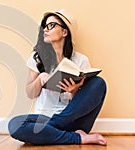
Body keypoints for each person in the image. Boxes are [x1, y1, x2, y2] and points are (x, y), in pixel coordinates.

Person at [8, 9, 107, 145]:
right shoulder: (37, 58)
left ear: (64, 32)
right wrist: (39, 79)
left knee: (99, 83)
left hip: (73, 119)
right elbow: (30, 93)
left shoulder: (81, 60)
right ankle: (77, 138)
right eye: (45, 26)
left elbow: (82, 104)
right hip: (43, 118)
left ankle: (51, 130)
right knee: (15, 124)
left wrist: (73, 91)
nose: (46, 30)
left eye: (51, 25)